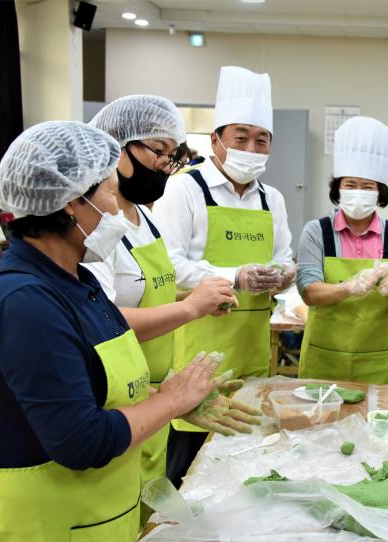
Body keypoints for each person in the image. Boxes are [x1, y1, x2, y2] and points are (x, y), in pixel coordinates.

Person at [0, 121, 261, 541]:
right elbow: (81, 441)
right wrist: (169, 401)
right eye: (110, 194)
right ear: (70, 204)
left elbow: (92, 393)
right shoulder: (25, 302)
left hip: (98, 518)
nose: (117, 210)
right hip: (50, 525)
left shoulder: (78, 282)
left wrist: (175, 400)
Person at [86, 95, 241, 489]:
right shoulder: (96, 228)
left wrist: (197, 301)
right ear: (116, 145)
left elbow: (147, 296)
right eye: (158, 150)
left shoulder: (146, 217)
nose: (164, 164)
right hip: (115, 401)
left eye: (172, 155)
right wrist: (189, 309)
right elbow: (100, 321)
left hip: (150, 391)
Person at [154, 66, 295, 484]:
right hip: (199, 347)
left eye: (261, 140)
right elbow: (169, 266)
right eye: (241, 137)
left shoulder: (271, 198)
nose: (252, 147)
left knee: (243, 463)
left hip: (253, 346)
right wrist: (236, 276)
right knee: (191, 469)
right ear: (216, 140)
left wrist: (283, 275)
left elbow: (283, 257)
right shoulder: (185, 188)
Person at [297, 116, 388, 384]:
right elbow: (309, 292)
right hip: (324, 356)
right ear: (338, 189)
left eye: (367, 186)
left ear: (379, 192)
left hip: (378, 359)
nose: (358, 192)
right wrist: (350, 287)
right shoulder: (317, 232)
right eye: (350, 185)